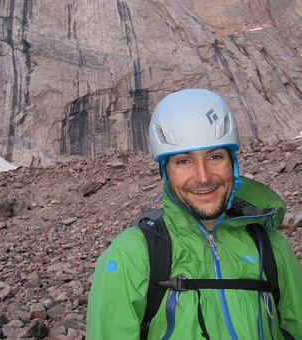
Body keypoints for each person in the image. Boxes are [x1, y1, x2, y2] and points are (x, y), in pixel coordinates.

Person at [86, 89, 302, 339]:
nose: (203, 177)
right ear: (165, 173)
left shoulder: (271, 246)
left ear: (233, 164)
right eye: (184, 161)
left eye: (214, 157)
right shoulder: (130, 255)